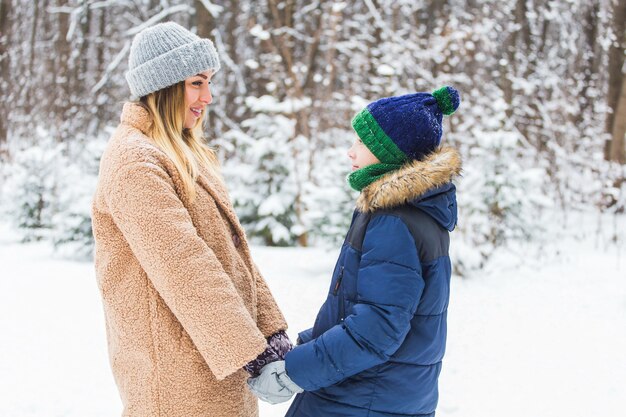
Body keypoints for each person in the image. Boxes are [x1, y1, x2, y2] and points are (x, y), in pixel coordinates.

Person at [91, 22, 290, 417]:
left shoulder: (182, 153)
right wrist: (250, 353)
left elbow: (232, 255)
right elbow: (184, 266)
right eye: (197, 83)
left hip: (215, 360)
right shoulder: (135, 160)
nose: (208, 97)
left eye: (210, 82)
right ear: (163, 86)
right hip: (175, 375)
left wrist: (270, 332)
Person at [248, 87, 463, 417]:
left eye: (362, 142)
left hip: (361, 399)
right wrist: (303, 351)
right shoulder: (415, 212)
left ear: (392, 152)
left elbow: (376, 329)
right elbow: (356, 310)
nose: (350, 151)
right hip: (384, 395)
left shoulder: (394, 220)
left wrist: (294, 373)